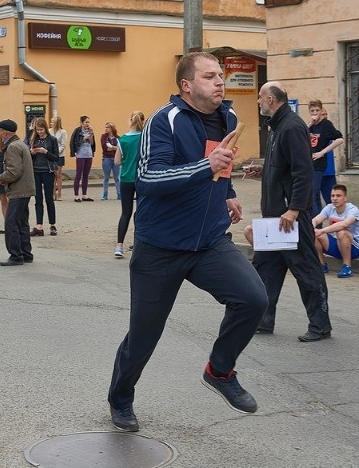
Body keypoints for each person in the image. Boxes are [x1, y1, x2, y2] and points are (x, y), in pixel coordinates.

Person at [107, 52, 268, 433]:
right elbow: (148, 179)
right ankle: (121, 397)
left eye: (221, 75)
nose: (219, 82)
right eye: (210, 76)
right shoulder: (165, 121)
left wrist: (226, 189)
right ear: (186, 85)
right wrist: (206, 167)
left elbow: (220, 163)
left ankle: (220, 370)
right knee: (145, 335)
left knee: (253, 299)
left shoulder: (228, 118)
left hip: (209, 241)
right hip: (160, 247)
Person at [248, 82, 332, 342]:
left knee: (306, 269)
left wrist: (294, 209)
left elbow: (303, 172)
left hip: (290, 217)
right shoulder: (277, 126)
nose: (258, 102)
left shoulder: (292, 126)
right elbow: (283, 167)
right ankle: (263, 321)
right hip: (274, 217)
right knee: (265, 270)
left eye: (261, 98)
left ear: (271, 99)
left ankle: (320, 325)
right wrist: (262, 171)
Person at [0, 119, 35, 266]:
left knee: (11, 223)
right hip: (25, 189)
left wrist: (1, 178)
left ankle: (16, 256)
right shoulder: (20, 144)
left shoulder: (12, 146)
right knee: (22, 222)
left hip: (19, 190)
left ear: (6, 132)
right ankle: (26, 253)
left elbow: (14, 171)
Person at [312, 184, 359, 278]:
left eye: (338, 196)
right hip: (337, 245)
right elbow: (316, 220)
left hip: (355, 248)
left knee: (342, 232)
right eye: (333, 196)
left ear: (345, 198)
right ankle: (321, 265)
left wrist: (322, 231)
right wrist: (311, 227)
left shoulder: (353, 210)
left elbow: (344, 224)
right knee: (314, 233)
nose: (334, 199)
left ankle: (347, 267)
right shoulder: (329, 207)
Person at [113, 111, 145, 258]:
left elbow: (117, 161)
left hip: (125, 178)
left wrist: (127, 160)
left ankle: (119, 246)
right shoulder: (145, 137)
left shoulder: (123, 139)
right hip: (141, 178)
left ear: (130, 120)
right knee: (140, 212)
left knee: (125, 212)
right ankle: (138, 242)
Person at [307, 100, 343, 217]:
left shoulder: (326, 125)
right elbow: (299, 137)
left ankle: (319, 224)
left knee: (313, 194)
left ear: (321, 111)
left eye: (317, 110)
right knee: (314, 196)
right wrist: (310, 124)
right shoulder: (311, 127)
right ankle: (317, 227)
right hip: (310, 165)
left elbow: (340, 139)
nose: (315, 113)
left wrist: (322, 152)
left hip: (320, 165)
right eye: (312, 111)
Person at [28, 117, 59, 237]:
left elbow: (56, 157)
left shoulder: (52, 140)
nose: (39, 132)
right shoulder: (34, 138)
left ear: (45, 128)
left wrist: (45, 152)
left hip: (48, 171)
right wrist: (32, 152)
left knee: (49, 199)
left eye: (41, 129)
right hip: (36, 171)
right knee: (38, 199)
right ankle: (39, 226)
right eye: (37, 130)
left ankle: (52, 225)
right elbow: (29, 155)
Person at [70, 115, 95, 201]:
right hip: (81, 155)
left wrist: (91, 135)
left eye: (89, 122)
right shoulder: (77, 131)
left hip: (89, 154)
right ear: (81, 123)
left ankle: (84, 194)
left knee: (86, 175)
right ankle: (76, 195)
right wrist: (84, 138)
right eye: (86, 122)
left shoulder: (90, 131)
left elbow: (92, 143)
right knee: (78, 175)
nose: (88, 124)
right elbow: (74, 142)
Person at [318, 107, 338, 208]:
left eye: (326, 114)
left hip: (329, 171)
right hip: (317, 171)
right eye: (323, 114)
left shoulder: (329, 128)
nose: (325, 117)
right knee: (314, 201)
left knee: (333, 201)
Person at [101, 122, 121, 200]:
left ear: (112, 128)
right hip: (106, 158)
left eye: (108, 127)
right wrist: (115, 148)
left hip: (116, 158)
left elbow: (120, 149)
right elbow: (105, 148)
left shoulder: (118, 138)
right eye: (105, 127)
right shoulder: (104, 137)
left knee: (117, 177)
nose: (106, 129)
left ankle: (119, 194)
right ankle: (105, 194)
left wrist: (112, 147)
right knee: (106, 177)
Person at [50, 116, 67, 201]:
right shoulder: (49, 131)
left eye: (52, 122)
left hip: (59, 155)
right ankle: (53, 194)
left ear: (57, 123)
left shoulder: (63, 132)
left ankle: (59, 193)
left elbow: (63, 145)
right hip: (51, 155)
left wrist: (56, 152)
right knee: (52, 175)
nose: (51, 124)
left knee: (58, 175)